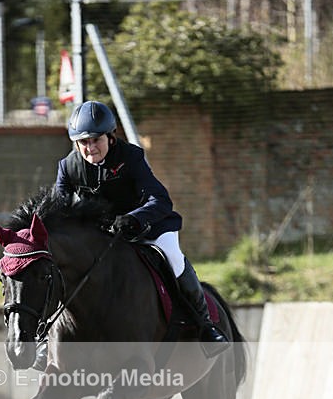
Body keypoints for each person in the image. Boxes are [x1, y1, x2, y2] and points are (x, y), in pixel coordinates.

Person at [54, 100, 229, 353]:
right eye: (83, 142)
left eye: (95, 140)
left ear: (110, 137)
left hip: (148, 227)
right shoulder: (68, 167)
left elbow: (160, 200)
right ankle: (45, 339)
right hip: (105, 235)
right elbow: (57, 209)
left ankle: (206, 327)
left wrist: (134, 218)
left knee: (173, 258)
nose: (90, 148)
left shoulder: (131, 157)